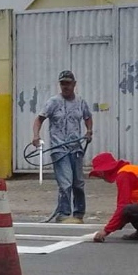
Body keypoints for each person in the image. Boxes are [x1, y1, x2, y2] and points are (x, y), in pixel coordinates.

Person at [32, 70, 93, 223]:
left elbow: (88, 117)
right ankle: (64, 214)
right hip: (59, 148)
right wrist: (36, 136)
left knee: (78, 183)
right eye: (62, 83)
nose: (65, 86)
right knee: (65, 182)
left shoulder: (80, 102)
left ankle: (79, 214)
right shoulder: (53, 102)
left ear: (74, 84)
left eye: (68, 83)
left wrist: (89, 131)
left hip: (76, 148)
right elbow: (39, 119)